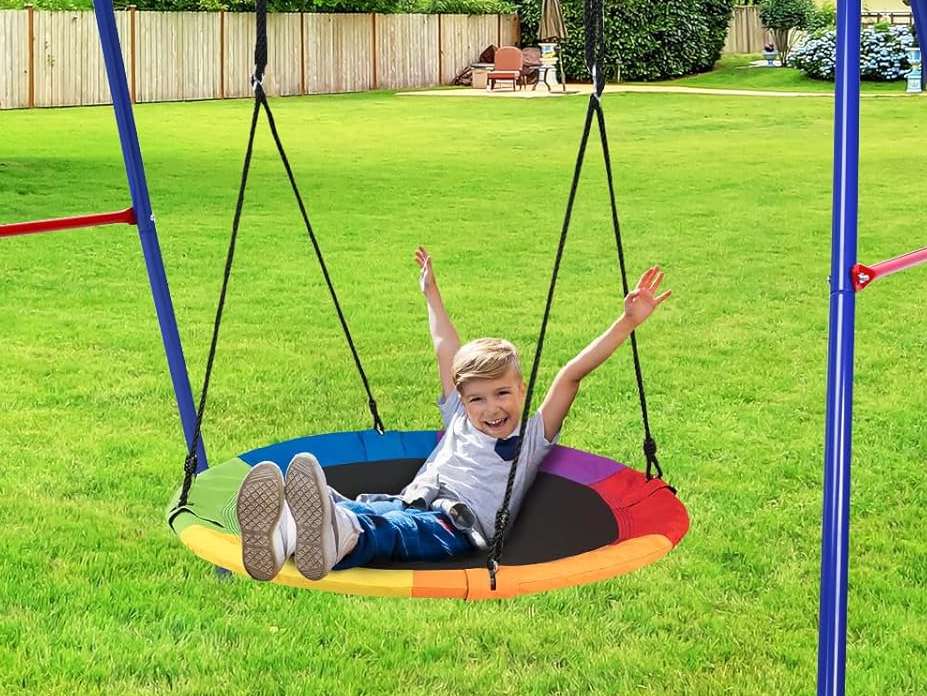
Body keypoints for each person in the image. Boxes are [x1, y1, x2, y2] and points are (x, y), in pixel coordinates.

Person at [234, 247, 670, 581]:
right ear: (463, 399)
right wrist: (431, 293)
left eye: (502, 393)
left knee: (395, 532)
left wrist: (626, 323)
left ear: (522, 390)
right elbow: (446, 347)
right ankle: (284, 533)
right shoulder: (459, 416)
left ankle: (337, 536)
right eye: (477, 399)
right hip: (410, 502)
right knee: (367, 509)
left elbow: (571, 375)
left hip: (459, 527)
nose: (492, 408)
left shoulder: (532, 437)